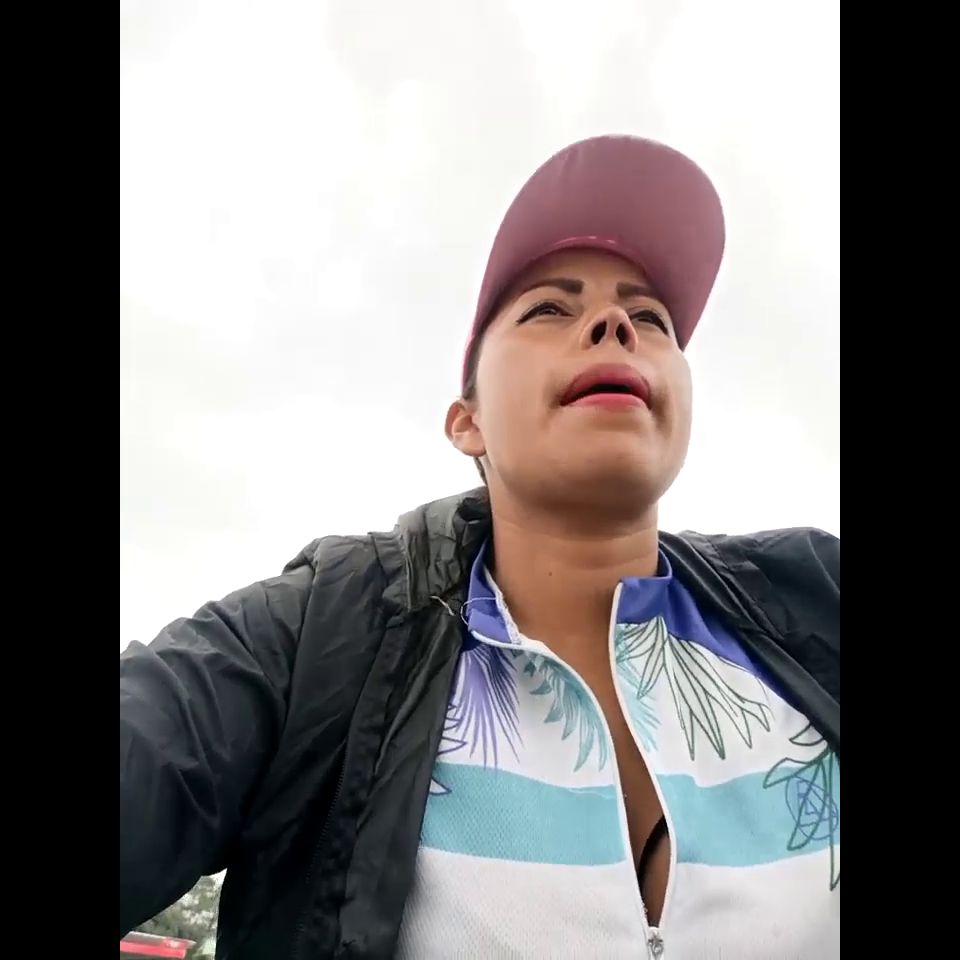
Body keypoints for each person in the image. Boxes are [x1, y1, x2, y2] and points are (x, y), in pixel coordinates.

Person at [120, 135, 839, 959]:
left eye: (651, 319)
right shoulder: (319, 636)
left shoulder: (816, 597)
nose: (615, 323)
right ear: (468, 422)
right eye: (549, 309)